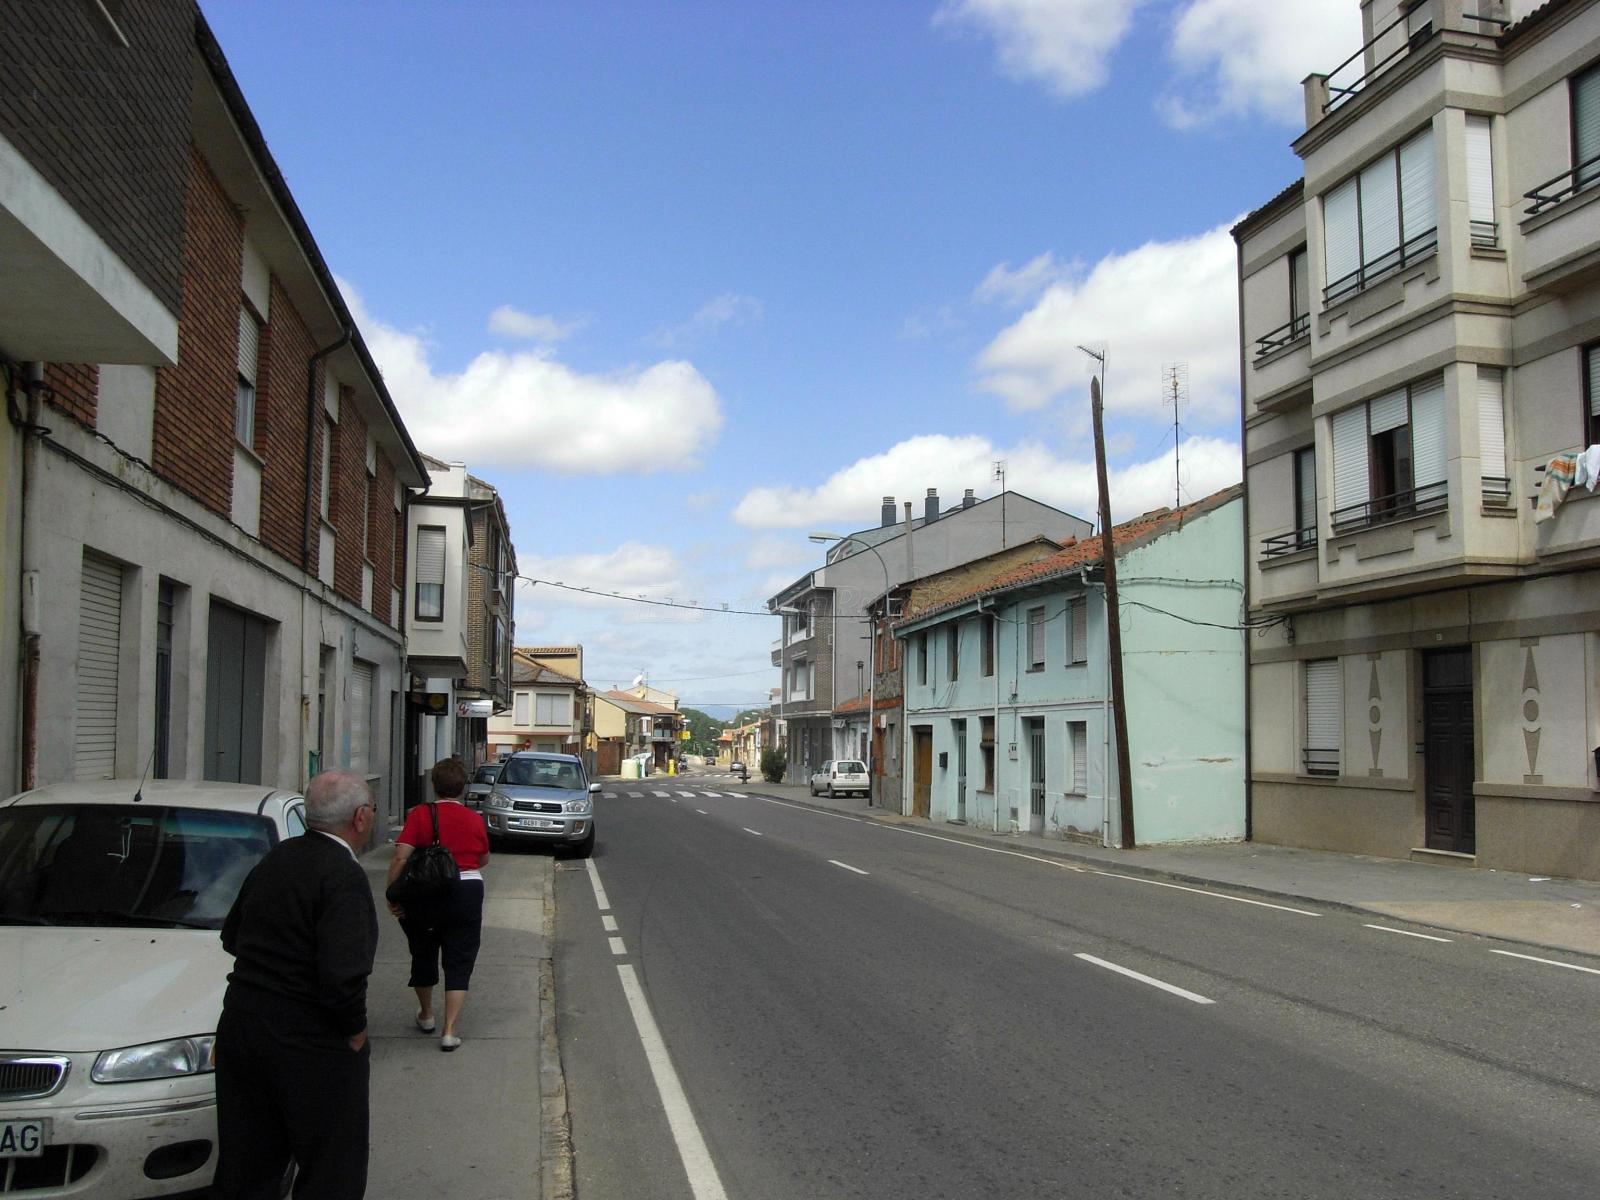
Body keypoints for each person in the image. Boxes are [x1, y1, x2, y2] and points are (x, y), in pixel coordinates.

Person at [214, 770, 380, 1200]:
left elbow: (232, 936)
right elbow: (343, 975)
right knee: (331, 1171)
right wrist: (355, 1031)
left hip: (244, 1029)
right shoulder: (342, 876)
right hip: (310, 1040)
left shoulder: (276, 859)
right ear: (360, 817)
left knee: (248, 1167)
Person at [386, 757, 490, 1051]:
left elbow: (401, 856)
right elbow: (483, 859)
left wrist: (392, 892)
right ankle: (449, 1029)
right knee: (459, 958)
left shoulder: (420, 815)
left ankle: (427, 1015)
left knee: (423, 951)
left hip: (425, 893)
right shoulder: (473, 819)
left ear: (434, 785)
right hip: (467, 890)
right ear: (462, 788)